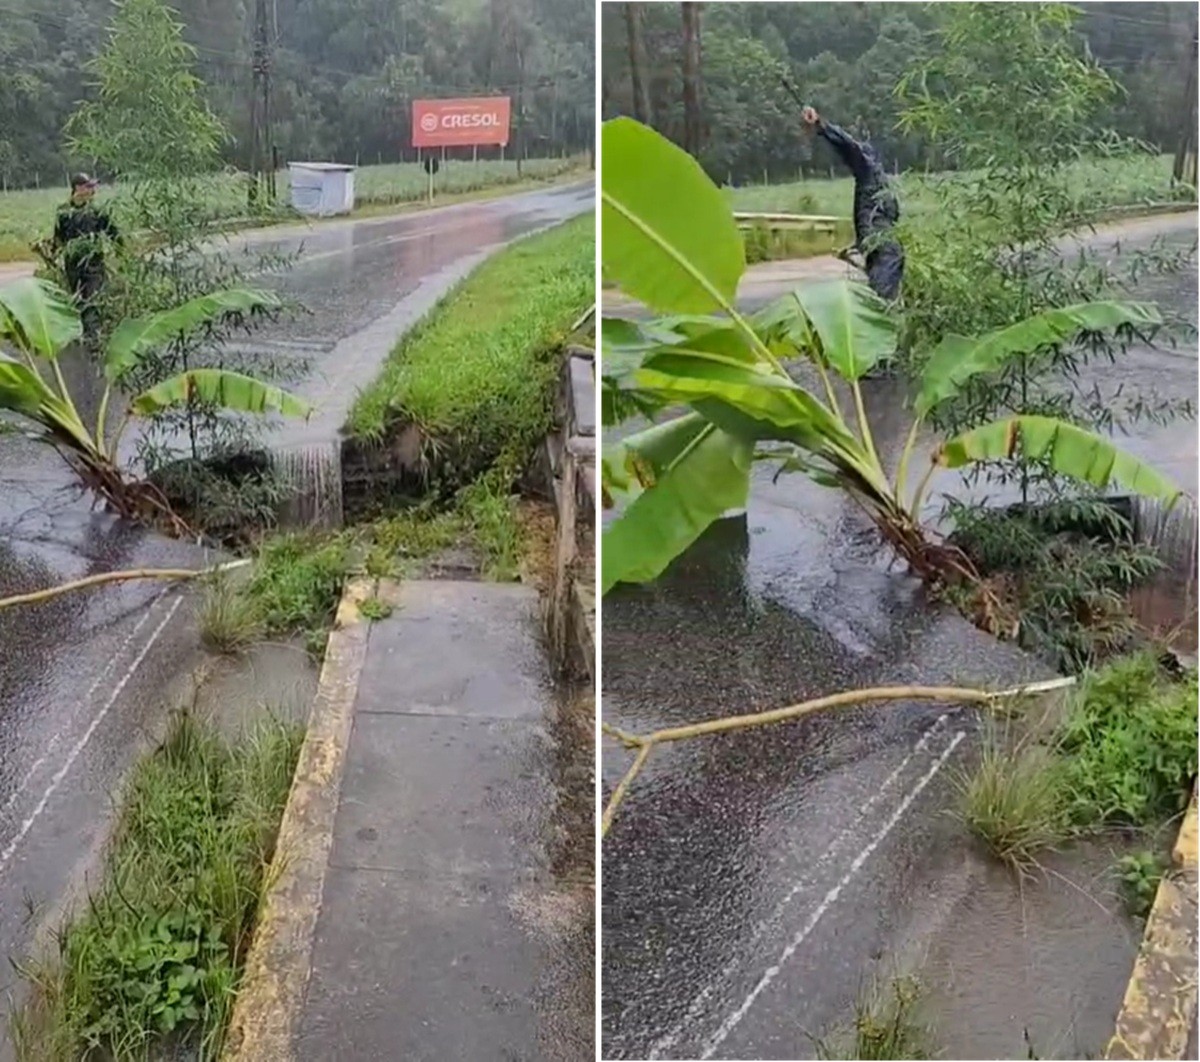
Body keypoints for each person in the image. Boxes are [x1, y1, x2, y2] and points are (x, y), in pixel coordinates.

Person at [801, 105, 904, 301]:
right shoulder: (871, 172)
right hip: (878, 237)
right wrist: (821, 125)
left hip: (878, 237)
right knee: (889, 264)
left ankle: (881, 304)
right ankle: (882, 305)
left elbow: (891, 216)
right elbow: (849, 146)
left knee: (889, 265)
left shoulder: (877, 177)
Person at [51, 173, 121, 351]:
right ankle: (83, 336)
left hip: (94, 264)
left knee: (93, 299)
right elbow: (58, 237)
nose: (93, 190)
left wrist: (122, 253)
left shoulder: (97, 211)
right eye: (89, 187)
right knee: (78, 300)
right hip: (73, 265)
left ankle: (93, 340)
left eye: (93, 186)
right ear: (78, 188)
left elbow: (113, 233)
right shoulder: (63, 211)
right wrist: (52, 255)